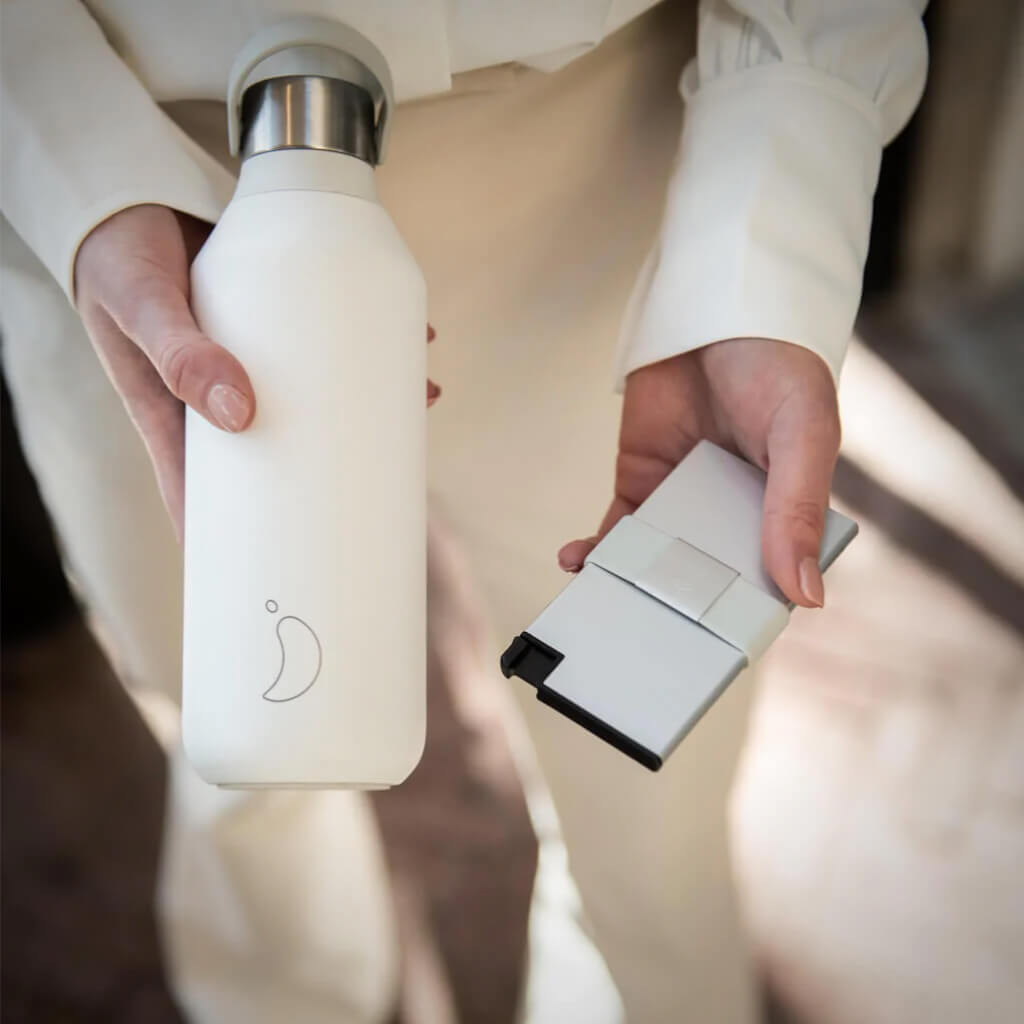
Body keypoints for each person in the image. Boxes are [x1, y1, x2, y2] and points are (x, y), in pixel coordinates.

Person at [1, 1, 928, 1021]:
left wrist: (758, 263)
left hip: (590, 179)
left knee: (634, 764)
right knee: (237, 730)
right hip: (136, 209)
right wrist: (77, 171)